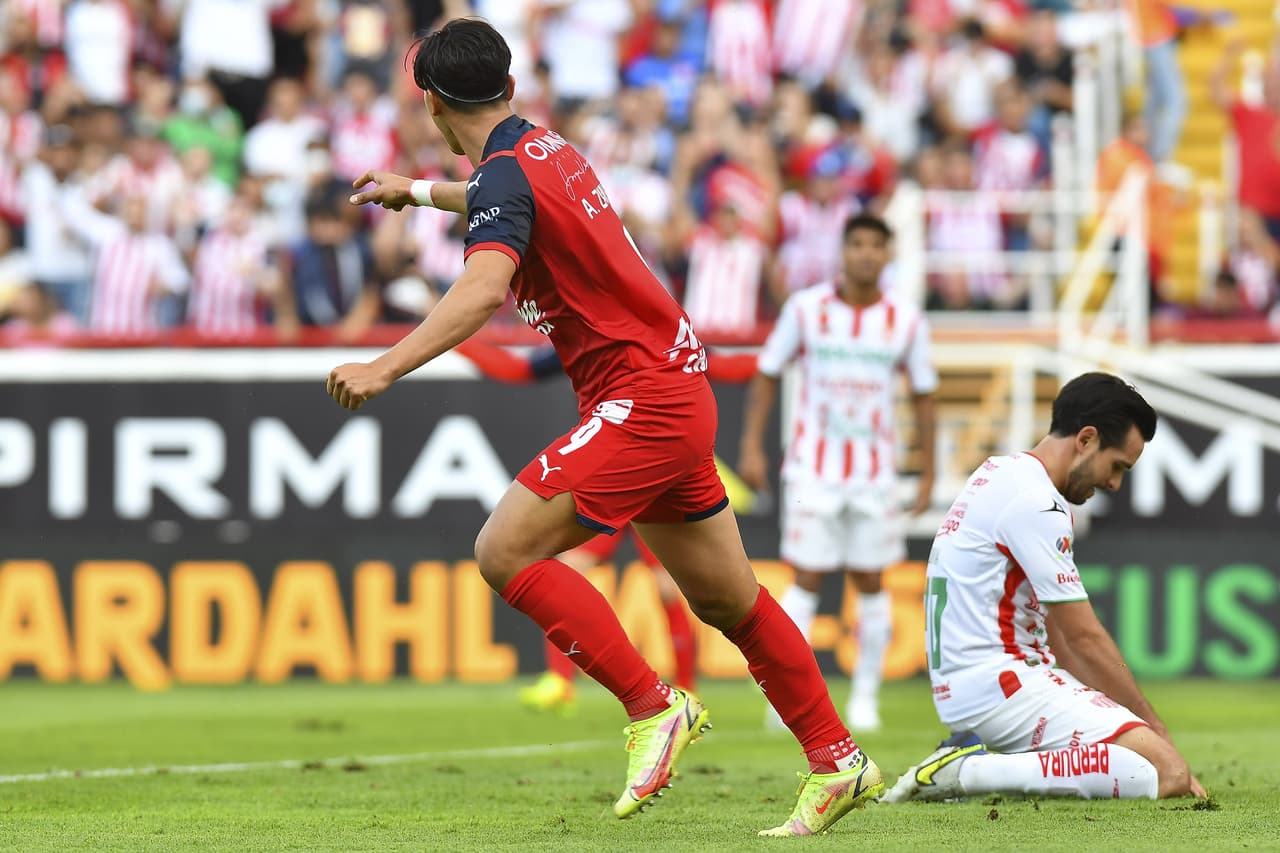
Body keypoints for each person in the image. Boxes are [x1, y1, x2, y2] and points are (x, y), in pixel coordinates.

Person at [328, 19, 883, 836]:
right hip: (677, 389)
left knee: (502, 550)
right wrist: (414, 191)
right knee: (731, 600)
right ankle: (839, 759)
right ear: (508, 90)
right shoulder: (542, 149)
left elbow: (483, 289)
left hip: (641, 399)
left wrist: (383, 364)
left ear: (434, 105)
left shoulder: (506, 176)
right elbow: (491, 198)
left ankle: (653, 706)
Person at [883, 372, 1206, 803]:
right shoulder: (1039, 503)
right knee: (1167, 773)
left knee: (1140, 757)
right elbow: (1083, 635)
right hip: (1002, 685)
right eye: (1117, 467)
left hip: (971, 686)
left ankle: (969, 763)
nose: (1113, 484)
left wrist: (1117, 717)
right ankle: (970, 770)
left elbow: (1056, 633)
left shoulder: (999, 473)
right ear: (1086, 439)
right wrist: (1156, 731)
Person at [739, 213, 938, 732]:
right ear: (842, 251)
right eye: (858, 244)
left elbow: (923, 395)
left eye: (877, 245)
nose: (867, 254)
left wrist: (930, 471)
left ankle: (865, 699)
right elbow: (766, 374)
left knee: (871, 582)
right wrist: (752, 447)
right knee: (804, 579)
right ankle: (786, 700)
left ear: (888, 254)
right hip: (813, 467)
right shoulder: (806, 310)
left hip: (875, 472)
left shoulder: (906, 319)